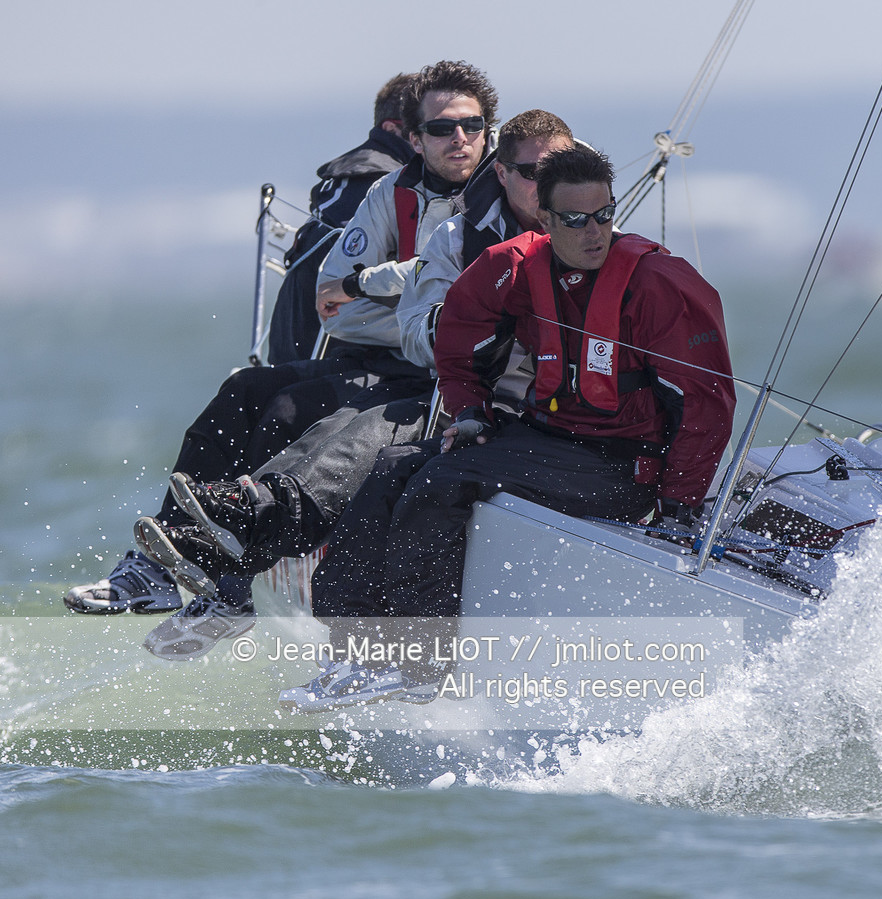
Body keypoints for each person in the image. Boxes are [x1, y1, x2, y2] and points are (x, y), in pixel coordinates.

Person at [281, 144, 736, 709]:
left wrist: (678, 504)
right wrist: (469, 411)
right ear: (544, 218)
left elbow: (705, 405)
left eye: (603, 215)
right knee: (395, 465)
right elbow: (459, 333)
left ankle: (418, 664)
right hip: (550, 441)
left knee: (442, 482)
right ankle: (351, 645)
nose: (593, 232)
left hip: (623, 464)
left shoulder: (662, 285)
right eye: (574, 219)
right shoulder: (516, 266)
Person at [135, 111, 575, 661]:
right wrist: (458, 330)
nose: (456, 139)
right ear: (503, 171)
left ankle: (238, 551)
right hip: (458, 393)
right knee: (285, 402)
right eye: (530, 171)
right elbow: (408, 324)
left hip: (531, 418)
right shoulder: (449, 230)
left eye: (556, 168)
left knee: (376, 442)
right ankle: (202, 553)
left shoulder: (593, 234)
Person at [66, 61, 496, 621]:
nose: (458, 138)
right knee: (247, 388)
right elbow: (335, 307)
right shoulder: (391, 193)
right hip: (399, 360)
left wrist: (395, 299)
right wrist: (418, 324)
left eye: (471, 125)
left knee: (289, 412)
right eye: (441, 128)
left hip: (449, 381)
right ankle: (160, 569)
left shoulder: (505, 194)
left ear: (489, 129)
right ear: (413, 138)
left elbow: (461, 306)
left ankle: (233, 580)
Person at [267, 72, 420, 366]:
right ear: (392, 129)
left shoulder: (344, 178)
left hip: (290, 353)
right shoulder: (381, 185)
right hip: (338, 358)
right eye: (427, 129)